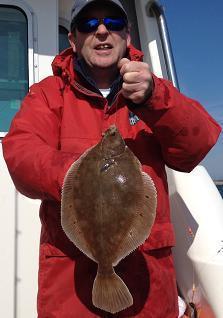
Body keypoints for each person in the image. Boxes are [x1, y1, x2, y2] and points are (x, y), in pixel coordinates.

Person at [2, 0, 221, 317]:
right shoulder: (49, 93)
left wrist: (154, 98)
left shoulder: (154, 90)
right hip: (71, 286)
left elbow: (196, 145)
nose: (102, 31)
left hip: (148, 284)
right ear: (73, 40)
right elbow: (21, 152)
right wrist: (79, 177)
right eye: (89, 25)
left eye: (114, 23)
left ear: (127, 36)